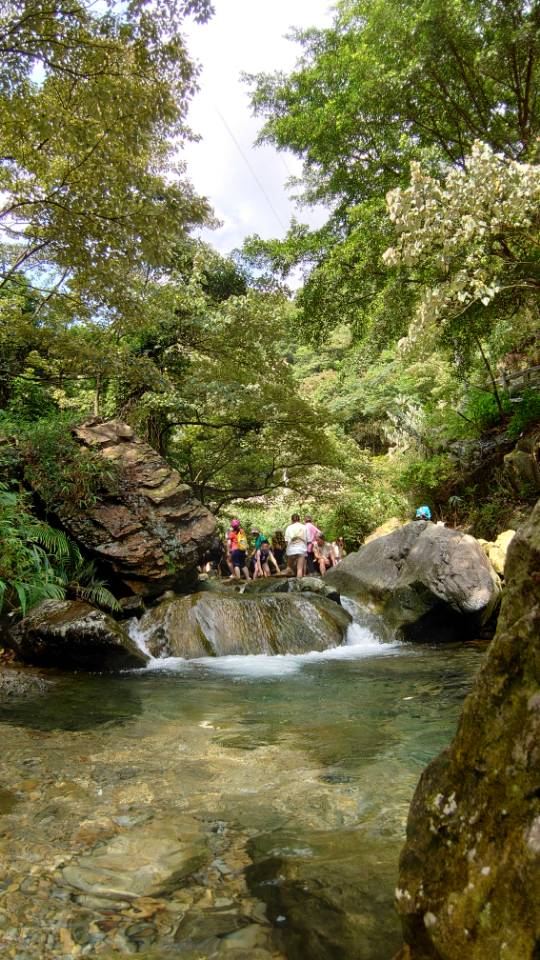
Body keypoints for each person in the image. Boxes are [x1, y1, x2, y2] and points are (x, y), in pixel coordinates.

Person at [284, 513, 308, 577]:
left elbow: (286, 541)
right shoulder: (304, 527)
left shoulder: (288, 528)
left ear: (292, 520)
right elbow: (307, 540)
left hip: (291, 550)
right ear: (299, 519)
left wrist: (287, 551)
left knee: (289, 567)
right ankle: (298, 585)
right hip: (301, 549)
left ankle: (287, 583)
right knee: (299, 569)